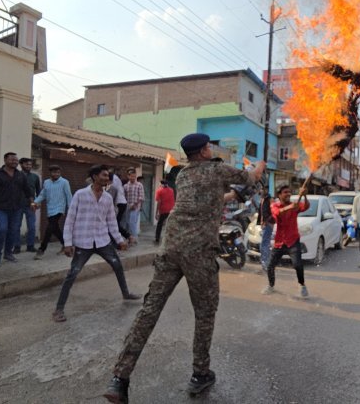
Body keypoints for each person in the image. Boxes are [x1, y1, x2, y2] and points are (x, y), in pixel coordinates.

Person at [104, 133, 265, 403]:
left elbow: (210, 198)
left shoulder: (183, 174)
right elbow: (252, 177)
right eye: (209, 147)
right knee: (204, 313)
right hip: (198, 253)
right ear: (203, 151)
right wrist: (259, 165)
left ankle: (119, 378)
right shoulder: (216, 169)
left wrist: (232, 195)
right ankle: (200, 374)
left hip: (170, 248)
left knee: (149, 311)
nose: (211, 150)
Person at [51, 165, 141, 323]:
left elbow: (112, 222)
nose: (107, 178)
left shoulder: (107, 198)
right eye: (104, 175)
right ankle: (58, 309)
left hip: (102, 241)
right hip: (83, 242)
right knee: (72, 274)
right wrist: (67, 242)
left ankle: (126, 293)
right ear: (94, 176)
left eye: (108, 176)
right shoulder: (80, 195)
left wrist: (120, 240)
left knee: (117, 265)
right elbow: (70, 220)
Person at [0, 152, 33, 267]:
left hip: (16, 208)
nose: (15, 162)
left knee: (13, 231)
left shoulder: (20, 175)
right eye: (12, 159)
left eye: (16, 160)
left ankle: (8, 253)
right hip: (0, 208)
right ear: (5, 160)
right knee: (2, 229)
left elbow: (28, 191)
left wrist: (32, 202)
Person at [262, 185, 310, 297]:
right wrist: (291, 207)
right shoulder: (274, 205)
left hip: (293, 241)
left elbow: (306, 206)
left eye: (289, 192)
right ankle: (271, 286)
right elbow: (278, 213)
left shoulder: (295, 205)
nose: (288, 194)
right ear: (279, 195)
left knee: (298, 265)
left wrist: (304, 195)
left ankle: (302, 285)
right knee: (270, 265)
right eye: (285, 192)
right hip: (280, 242)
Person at [32, 165, 72, 260]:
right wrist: (35, 202)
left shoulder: (64, 182)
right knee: (55, 229)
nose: (56, 174)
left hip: (59, 209)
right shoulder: (46, 182)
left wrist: (71, 208)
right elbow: (43, 194)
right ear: (50, 173)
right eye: (54, 172)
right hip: (50, 209)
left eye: (58, 172)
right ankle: (66, 244)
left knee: (49, 229)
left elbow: (68, 195)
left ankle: (42, 249)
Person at [14, 157, 41, 254]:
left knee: (32, 227)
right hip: (17, 205)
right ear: (21, 165)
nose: (29, 166)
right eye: (26, 164)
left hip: (31, 205)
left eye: (30, 164)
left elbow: (39, 191)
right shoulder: (15, 175)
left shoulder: (35, 177)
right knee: (16, 226)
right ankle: (16, 247)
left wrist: (38, 202)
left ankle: (30, 246)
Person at [122, 168, 144, 246]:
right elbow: (123, 197)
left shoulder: (139, 185)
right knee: (126, 223)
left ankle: (134, 239)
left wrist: (135, 205)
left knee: (132, 223)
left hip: (135, 207)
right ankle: (129, 238)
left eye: (134, 176)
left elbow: (141, 197)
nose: (133, 178)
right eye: (131, 176)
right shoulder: (125, 186)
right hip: (127, 207)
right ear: (128, 176)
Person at [256, 186, 275, 271]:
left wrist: (267, 222)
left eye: (264, 189)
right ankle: (266, 262)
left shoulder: (270, 199)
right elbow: (261, 213)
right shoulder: (263, 199)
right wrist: (260, 222)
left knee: (264, 244)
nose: (262, 190)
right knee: (265, 244)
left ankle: (266, 263)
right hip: (264, 225)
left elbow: (274, 212)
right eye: (262, 189)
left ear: (267, 190)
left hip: (268, 224)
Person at [110, 169, 129, 239]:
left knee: (115, 223)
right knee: (118, 222)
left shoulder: (113, 181)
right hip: (122, 202)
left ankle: (127, 236)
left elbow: (113, 193)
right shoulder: (117, 179)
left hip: (119, 203)